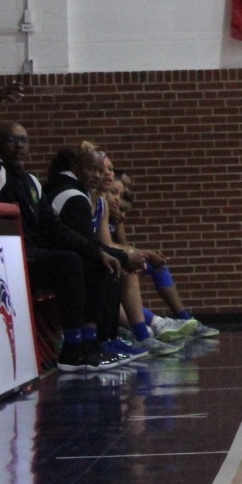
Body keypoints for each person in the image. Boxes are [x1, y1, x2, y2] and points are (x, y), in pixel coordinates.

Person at [0, 118, 94, 371]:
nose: (18, 146)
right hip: (10, 262)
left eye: (23, 140)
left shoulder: (33, 183)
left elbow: (56, 229)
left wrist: (101, 252)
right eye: (10, 140)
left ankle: (95, 341)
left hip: (33, 257)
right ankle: (72, 348)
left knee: (92, 260)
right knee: (68, 262)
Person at [43, 144, 146, 366]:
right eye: (94, 169)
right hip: (52, 262)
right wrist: (123, 258)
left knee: (108, 263)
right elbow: (89, 244)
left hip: (63, 258)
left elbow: (95, 244)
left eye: (102, 170)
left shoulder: (94, 199)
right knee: (103, 265)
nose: (99, 175)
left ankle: (103, 341)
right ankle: (87, 344)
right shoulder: (73, 196)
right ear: (76, 167)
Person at [105, 171, 217, 345]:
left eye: (123, 192)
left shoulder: (116, 213)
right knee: (130, 271)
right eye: (115, 192)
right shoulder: (98, 210)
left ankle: (183, 318)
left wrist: (140, 253)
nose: (120, 197)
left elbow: (125, 246)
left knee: (156, 265)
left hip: (116, 261)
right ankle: (154, 325)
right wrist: (143, 253)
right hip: (105, 266)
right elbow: (104, 245)